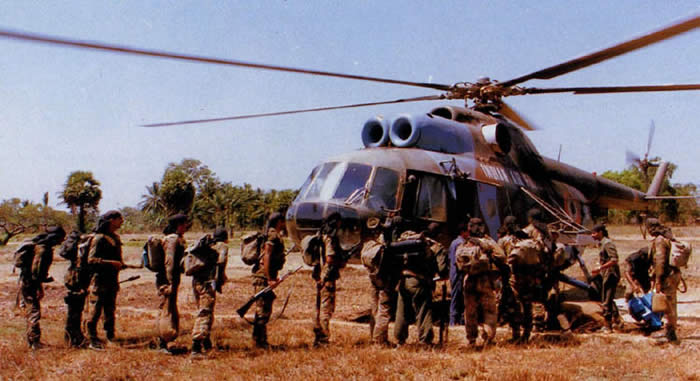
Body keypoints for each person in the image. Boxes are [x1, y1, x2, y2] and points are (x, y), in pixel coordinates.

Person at [394, 222, 448, 346]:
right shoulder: (436, 247)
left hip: (403, 280)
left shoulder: (409, 243)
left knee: (402, 311)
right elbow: (442, 270)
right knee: (423, 311)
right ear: (439, 234)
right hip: (419, 282)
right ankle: (425, 341)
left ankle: (399, 340)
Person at [13, 226, 66, 349]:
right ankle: (34, 342)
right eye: (61, 238)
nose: (61, 241)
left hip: (28, 281)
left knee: (32, 309)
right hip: (30, 283)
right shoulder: (43, 250)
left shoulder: (39, 247)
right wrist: (40, 285)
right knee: (34, 311)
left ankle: (32, 341)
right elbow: (36, 272)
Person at [459, 218, 506, 347]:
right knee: (489, 310)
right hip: (485, 280)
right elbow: (501, 256)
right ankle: (488, 338)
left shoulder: (465, 244)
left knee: (470, 311)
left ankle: (471, 340)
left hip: (469, 280)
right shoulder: (487, 242)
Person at [85, 210, 125, 349]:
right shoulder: (99, 238)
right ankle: (92, 338)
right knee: (95, 310)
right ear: (111, 220)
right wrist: (111, 263)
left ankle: (110, 335)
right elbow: (91, 260)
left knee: (110, 309)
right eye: (119, 218)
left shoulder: (115, 237)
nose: (122, 221)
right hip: (99, 280)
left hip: (112, 280)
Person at [189, 227, 229, 358]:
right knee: (205, 313)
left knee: (204, 311)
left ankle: (206, 343)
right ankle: (196, 348)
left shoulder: (209, 246)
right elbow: (221, 261)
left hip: (197, 282)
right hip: (207, 283)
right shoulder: (222, 246)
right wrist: (221, 275)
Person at [313, 213, 351, 346]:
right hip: (326, 278)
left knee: (319, 308)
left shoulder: (320, 235)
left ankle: (318, 337)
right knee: (326, 309)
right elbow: (329, 259)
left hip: (319, 275)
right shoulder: (330, 238)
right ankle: (323, 339)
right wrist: (327, 275)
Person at [361, 217, 397, 346]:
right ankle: (380, 340)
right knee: (384, 310)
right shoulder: (387, 247)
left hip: (373, 279)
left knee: (374, 309)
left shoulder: (369, 245)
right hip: (384, 280)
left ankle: (373, 336)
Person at [156, 214, 190, 353]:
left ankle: (167, 341)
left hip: (172, 279)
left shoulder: (176, 238)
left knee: (170, 309)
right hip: (167, 280)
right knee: (167, 310)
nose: (186, 227)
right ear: (179, 225)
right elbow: (169, 262)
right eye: (184, 224)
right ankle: (163, 343)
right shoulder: (172, 240)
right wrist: (169, 283)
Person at [252, 212, 286, 348]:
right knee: (263, 311)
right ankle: (260, 342)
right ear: (279, 222)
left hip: (263, 276)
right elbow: (267, 255)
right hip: (262, 277)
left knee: (262, 309)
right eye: (282, 221)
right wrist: (269, 278)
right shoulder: (272, 235)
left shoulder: (271, 233)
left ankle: (258, 339)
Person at [648, 218, 681, 344]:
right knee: (671, 303)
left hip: (667, 276)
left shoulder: (660, 240)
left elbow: (660, 261)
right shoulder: (667, 238)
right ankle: (670, 330)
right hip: (673, 274)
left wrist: (658, 280)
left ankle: (670, 333)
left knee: (668, 305)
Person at [57, 230, 89, 348]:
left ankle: (72, 337)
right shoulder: (81, 250)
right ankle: (74, 338)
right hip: (77, 280)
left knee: (73, 311)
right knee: (75, 312)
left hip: (72, 279)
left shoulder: (75, 255)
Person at [589, 224, 620, 333]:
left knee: (607, 300)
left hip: (611, 274)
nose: (592, 235)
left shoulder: (607, 244)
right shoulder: (602, 244)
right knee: (608, 298)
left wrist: (600, 268)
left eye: (594, 233)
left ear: (600, 232)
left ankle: (608, 326)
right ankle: (617, 322)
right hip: (606, 273)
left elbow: (614, 260)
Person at [496, 216, 522, 341]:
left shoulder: (503, 241)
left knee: (511, 303)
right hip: (524, 275)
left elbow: (499, 258)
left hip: (509, 277)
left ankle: (515, 332)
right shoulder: (523, 239)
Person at [448, 222, 468, 325]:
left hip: (453, 273)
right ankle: (452, 322)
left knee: (458, 297)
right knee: (456, 297)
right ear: (463, 232)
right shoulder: (461, 243)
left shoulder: (453, 242)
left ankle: (459, 321)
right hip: (458, 273)